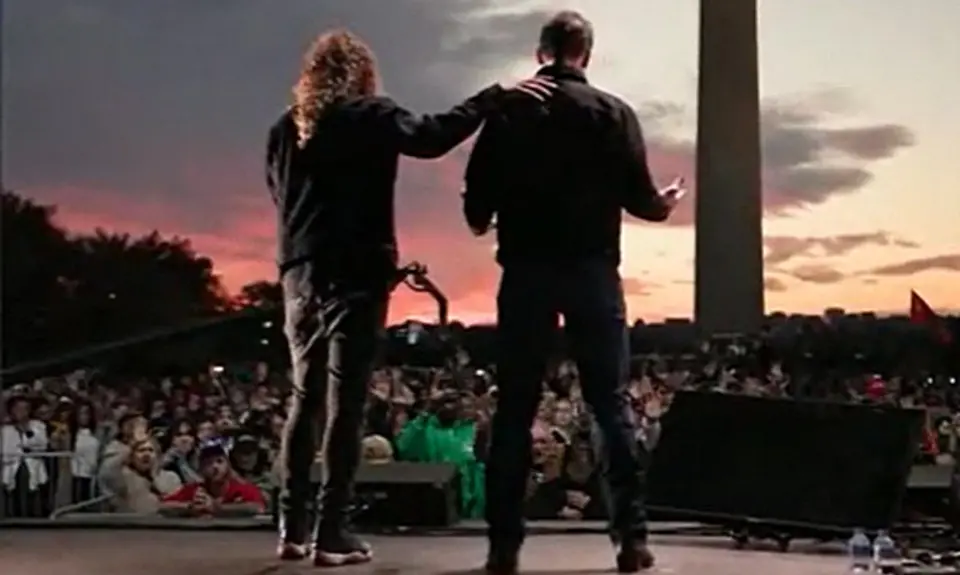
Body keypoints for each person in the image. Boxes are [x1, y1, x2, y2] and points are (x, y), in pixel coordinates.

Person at [266, 28, 555, 567]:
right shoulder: (372, 114)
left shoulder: (285, 130)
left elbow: (280, 196)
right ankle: (332, 533)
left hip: (298, 274)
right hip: (355, 271)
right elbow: (430, 137)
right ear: (362, 74)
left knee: (303, 401)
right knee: (345, 405)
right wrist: (492, 98)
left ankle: (291, 528)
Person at [461, 11, 685, 574]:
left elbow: (475, 208)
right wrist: (669, 200)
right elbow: (642, 200)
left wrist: (490, 215)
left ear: (541, 54)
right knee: (609, 407)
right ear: (586, 53)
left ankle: (503, 549)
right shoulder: (613, 113)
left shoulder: (509, 112)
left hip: (527, 272)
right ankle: (630, 542)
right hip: (592, 272)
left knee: (514, 411)